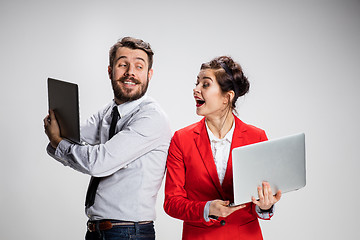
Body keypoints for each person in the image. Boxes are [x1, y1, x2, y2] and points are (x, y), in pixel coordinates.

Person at [43, 37, 172, 240]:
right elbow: (74, 135)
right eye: (123, 64)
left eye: (139, 66)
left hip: (129, 233)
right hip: (99, 231)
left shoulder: (151, 117)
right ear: (110, 71)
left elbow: (97, 162)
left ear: (149, 74)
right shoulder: (110, 111)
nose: (130, 72)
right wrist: (59, 137)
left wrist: (57, 141)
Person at [163, 56, 281, 239]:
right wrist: (207, 208)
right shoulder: (181, 139)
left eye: (205, 84)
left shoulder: (256, 137)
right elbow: (172, 202)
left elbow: (259, 199)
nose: (196, 89)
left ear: (227, 97)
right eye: (197, 83)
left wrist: (265, 205)